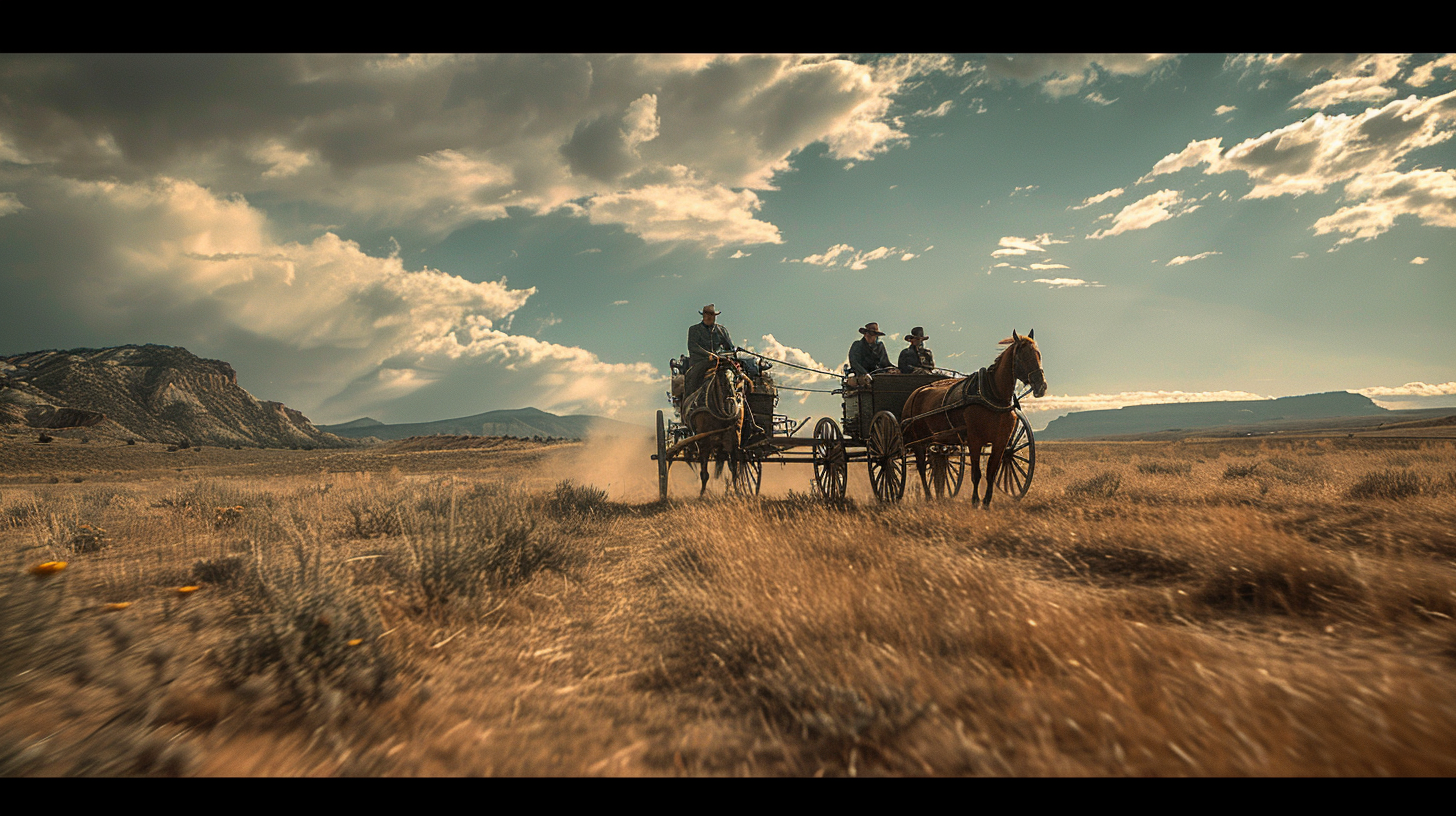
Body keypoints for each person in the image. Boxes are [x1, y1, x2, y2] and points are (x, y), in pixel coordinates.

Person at [684, 304, 734, 401]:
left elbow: (730, 348)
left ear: (715, 317)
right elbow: (693, 347)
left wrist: (723, 355)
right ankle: (690, 403)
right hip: (700, 362)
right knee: (692, 378)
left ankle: (732, 400)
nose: (708, 317)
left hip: (719, 363)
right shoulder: (694, 330)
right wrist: (708, 355)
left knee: (731, 379)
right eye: (706, 315)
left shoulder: (722, 330)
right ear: (703, 316)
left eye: (711, 315)